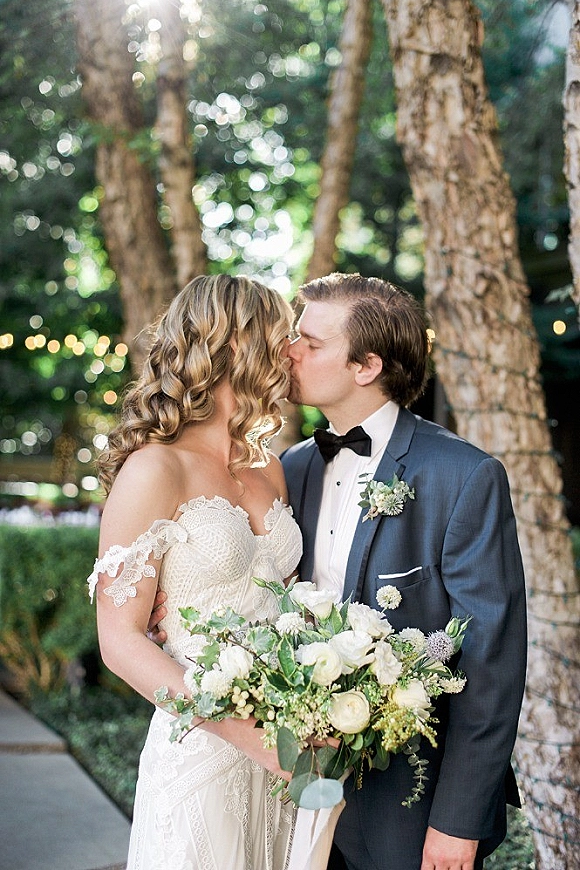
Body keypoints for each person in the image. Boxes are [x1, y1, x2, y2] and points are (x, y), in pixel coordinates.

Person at [279, 272, 527, 870]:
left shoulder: (464, 476)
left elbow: (490, 662)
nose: (290, 351)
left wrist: (457, 821)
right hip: (296, 792)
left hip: (409, 805)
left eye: (311, 343)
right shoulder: (291, 467)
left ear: (367, 366)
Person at [87, 274, 303, 870]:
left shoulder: (270, 469)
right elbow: (119, 641)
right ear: (234, 343)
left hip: (286, 759)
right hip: (203, 749)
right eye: (282, 336)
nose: (292, 352)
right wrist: (247, 735)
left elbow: (285, 609)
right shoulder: (156, 468)